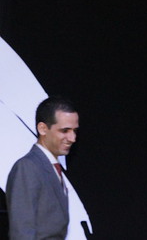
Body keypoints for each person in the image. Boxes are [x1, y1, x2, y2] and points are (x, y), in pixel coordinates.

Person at [6, 96, 79, 240]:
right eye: (65, 131)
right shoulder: (28, 167)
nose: (72, 138)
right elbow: (21, 233)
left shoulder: (50, 167)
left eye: (74, 131)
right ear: (43, 129)